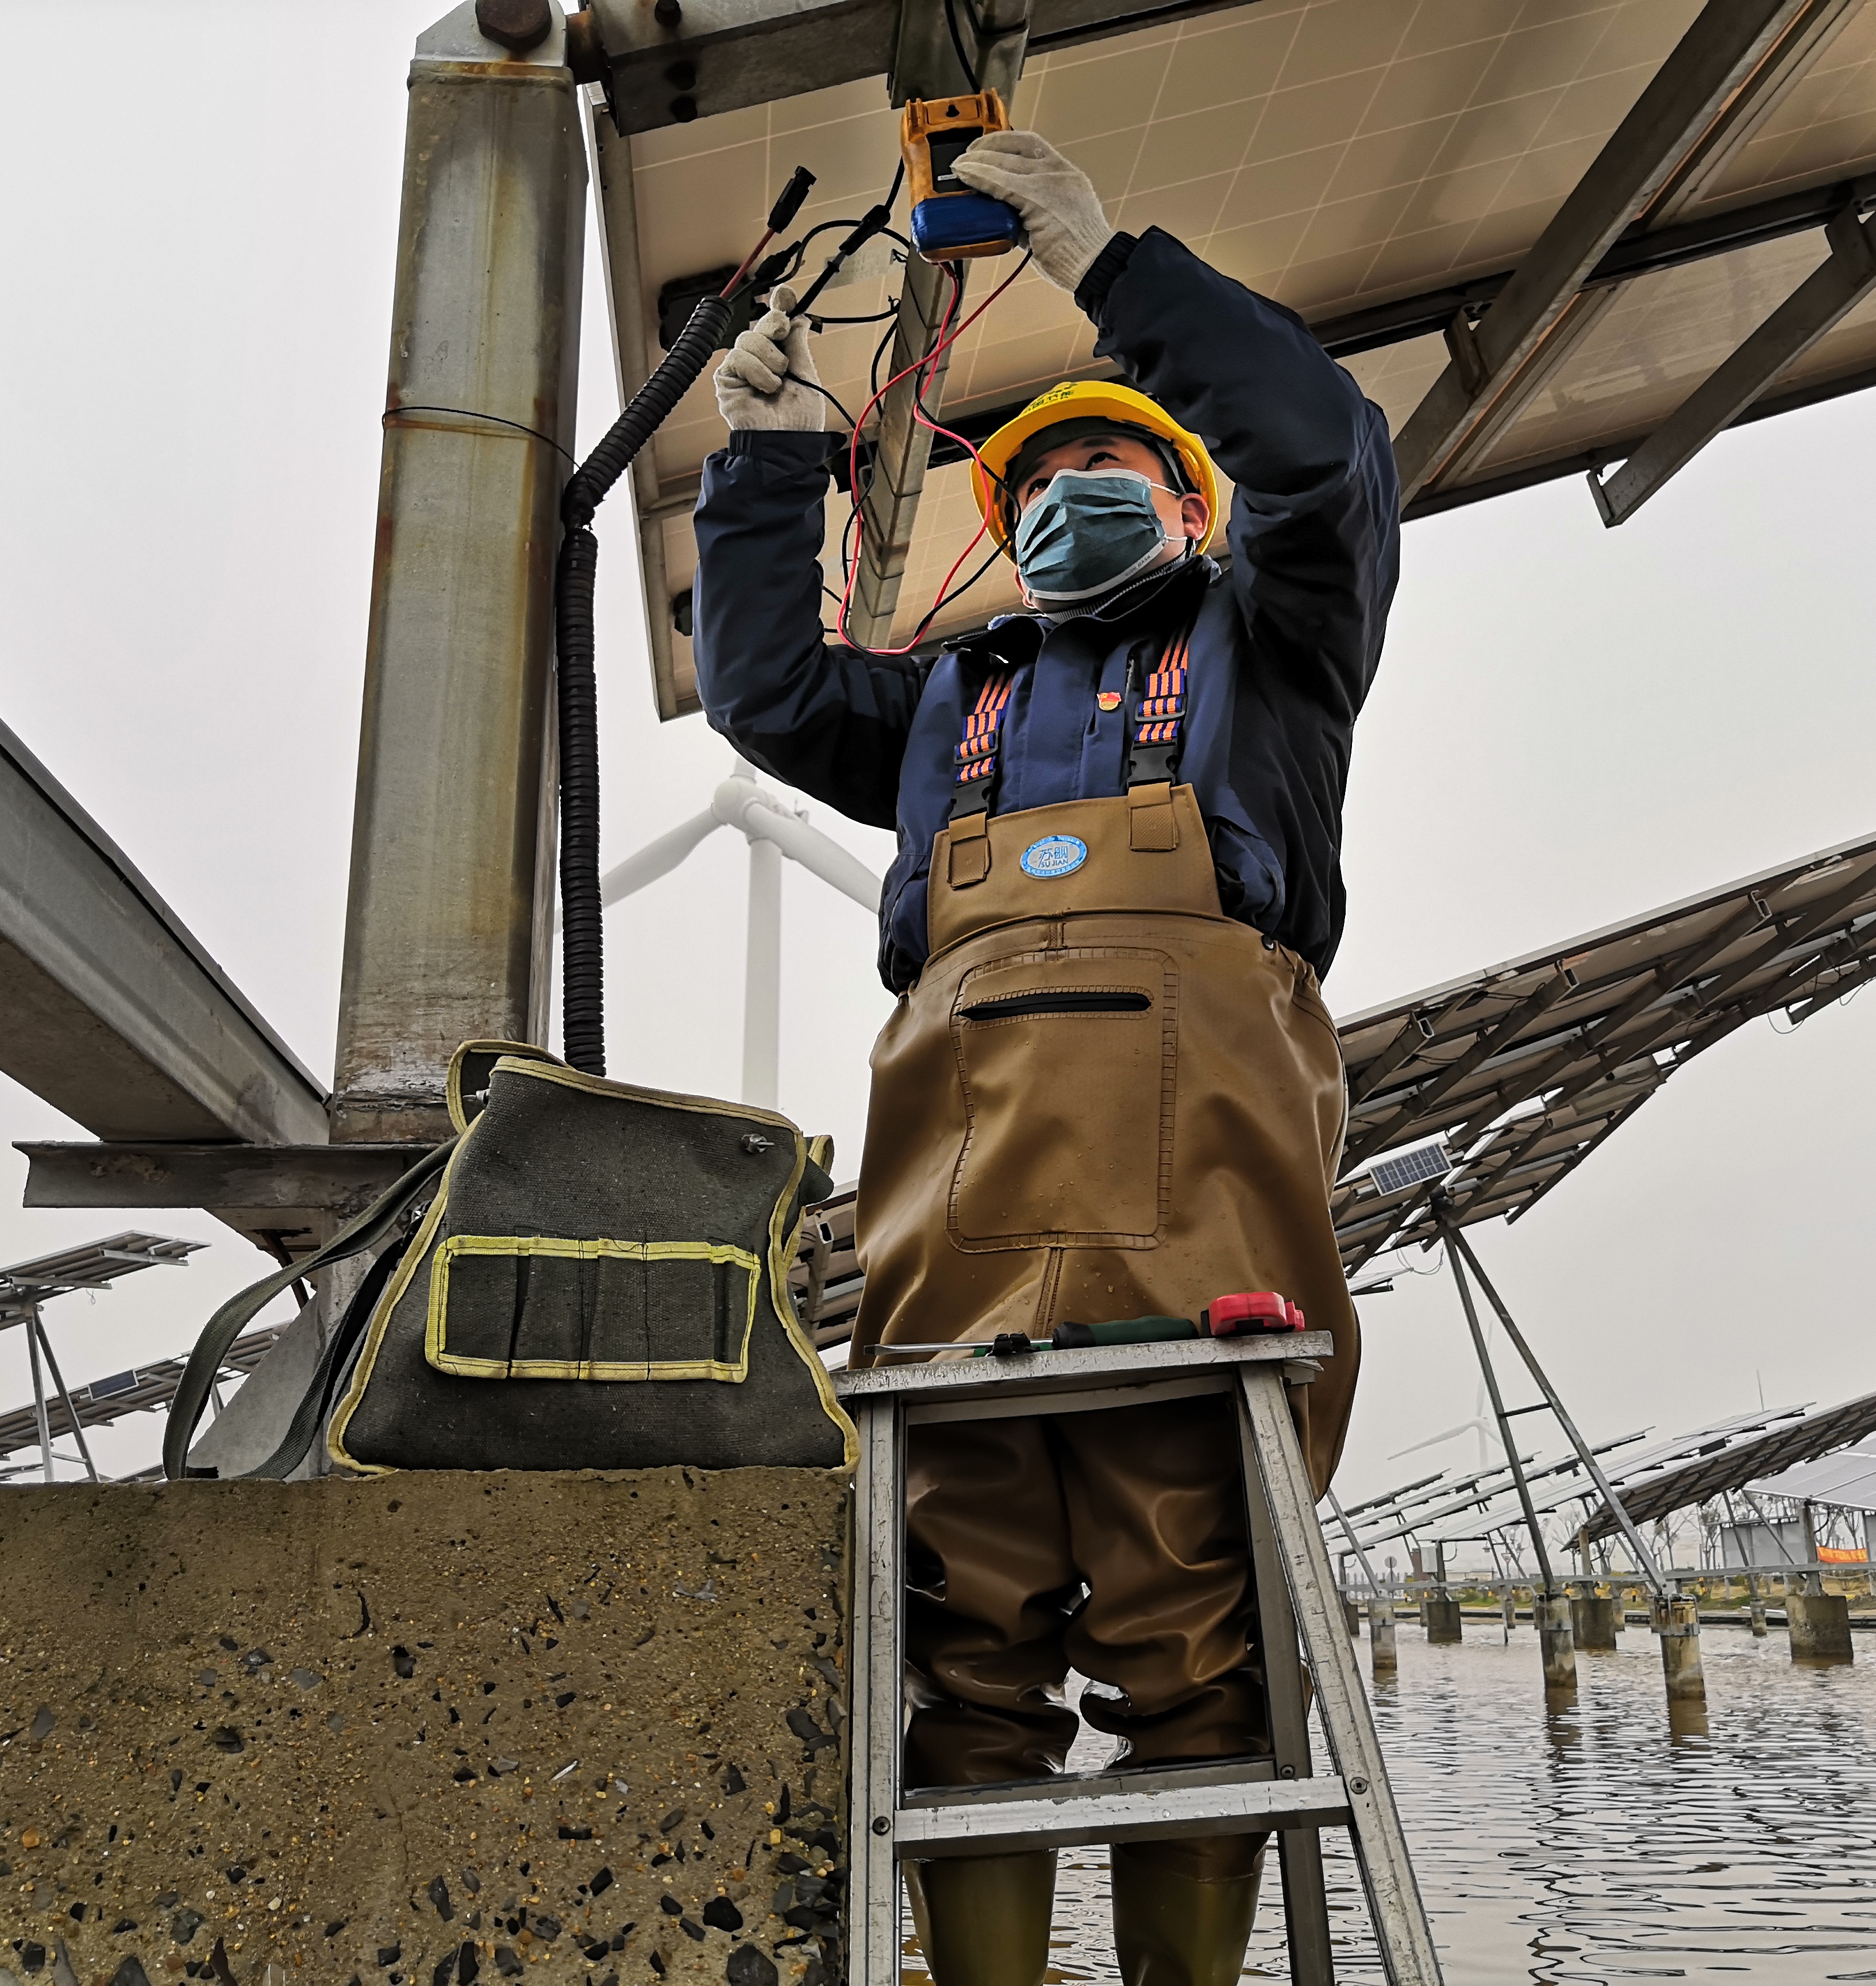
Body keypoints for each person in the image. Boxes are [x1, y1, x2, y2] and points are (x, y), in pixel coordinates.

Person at [691, 128, 1399, 1986]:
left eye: (1117, 463)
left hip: (1207, 1223)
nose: (1080, 491)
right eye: (1046, 476)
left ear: (1187, 491)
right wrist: (763, 466)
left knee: (1200, 1633)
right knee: (958, 1635)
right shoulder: (946, 699)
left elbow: (1328, 459)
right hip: (961, 1230)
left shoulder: (1283, 652)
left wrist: (1116, 271)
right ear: (1000, 529)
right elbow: (765, 690)